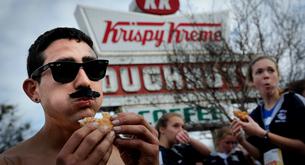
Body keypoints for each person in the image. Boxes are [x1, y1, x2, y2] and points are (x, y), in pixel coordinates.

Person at [0, 27, 159, 165]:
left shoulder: (130, 153)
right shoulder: (10, 161)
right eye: (64, 69)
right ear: (33, 90)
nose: (85, 81)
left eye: (94, 68)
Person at [231, 55, 305, 164]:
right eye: (259, 72)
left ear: (278, 76)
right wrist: (242, 141)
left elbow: (302, 148)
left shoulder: (293, 101)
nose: (266, 75)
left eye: (271, 70)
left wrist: (263, 134)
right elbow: (261, 155)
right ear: (252, 81)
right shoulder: (254, 116)